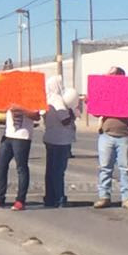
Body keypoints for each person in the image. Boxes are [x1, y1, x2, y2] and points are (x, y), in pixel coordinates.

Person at [96, 66, 128, 209]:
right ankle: (104, 196)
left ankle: (127, 198)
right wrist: (92, 101)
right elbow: (96, 113)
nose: (111, 78)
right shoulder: (105, 93)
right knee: (105, 168)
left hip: (124, 135)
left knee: (125, 168)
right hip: (106, 135)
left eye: (114, 75)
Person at [0, 107, 34, 211]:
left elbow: (36, 116)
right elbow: (0, 109)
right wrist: (7, 106)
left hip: (22, 137)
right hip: (8, 135)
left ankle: (20, 200)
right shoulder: (10, 94)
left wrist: (21, 109)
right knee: (1, 167)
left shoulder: (29, 96)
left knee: (21, 168)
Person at [42, 75, 76, 207]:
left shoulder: (47, 99)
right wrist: (72, 113)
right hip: (61, 139)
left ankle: (50, 197)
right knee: (58, 171)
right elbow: (65, 120)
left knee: (50, 170)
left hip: (50, 137)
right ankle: (59, 198)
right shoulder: (58, 101)